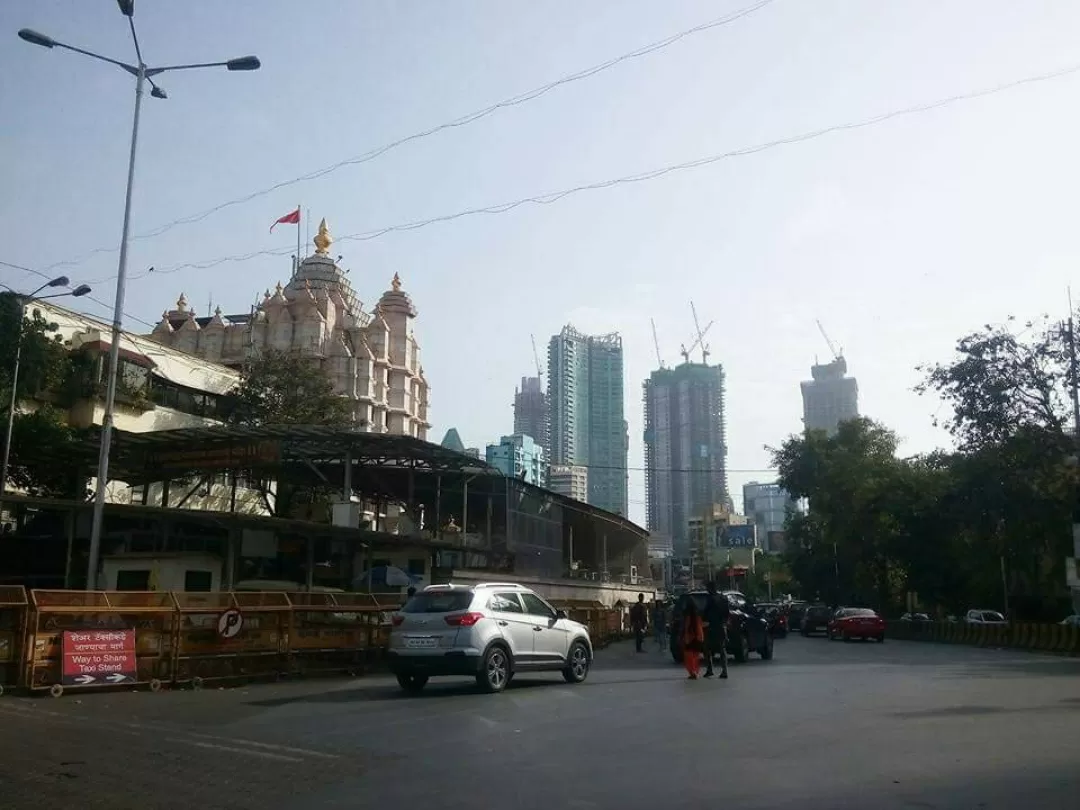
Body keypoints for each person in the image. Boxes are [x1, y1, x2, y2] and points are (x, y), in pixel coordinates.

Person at [701, 580, 730, 679]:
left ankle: (710, 669)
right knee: (722, 649)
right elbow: (727, 613)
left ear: (710, 588)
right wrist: (724, 623)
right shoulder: (723, 597)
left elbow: (705, 613)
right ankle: (724, 670)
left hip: (711, 627)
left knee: (707, 649)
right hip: (721, 626)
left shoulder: (710, 599)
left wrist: (703, 620)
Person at [680, 598, 705, 679]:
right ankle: (695, 671)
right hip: (698, 637)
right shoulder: (698, 615)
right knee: (695, 656)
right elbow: (700, 626)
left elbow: (686, 627)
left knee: (688, 656)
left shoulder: (687, 616)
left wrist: (683, 636)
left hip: (690, 638)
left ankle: (692, 672)